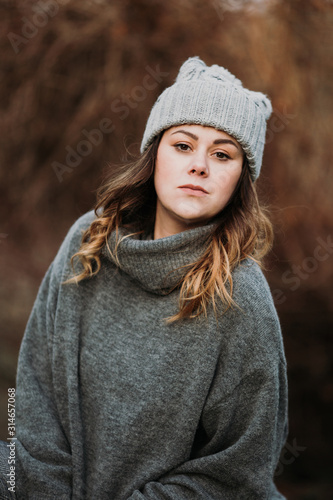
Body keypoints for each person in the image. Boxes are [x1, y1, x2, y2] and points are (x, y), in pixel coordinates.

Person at [0, 57, 288, 499]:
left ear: (240, 180)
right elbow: (34, 397)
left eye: (222, 154)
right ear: (154, 154)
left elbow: (238, 471)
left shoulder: (239, 294)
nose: (199, 167)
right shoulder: (88, 243)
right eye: (183, 145)